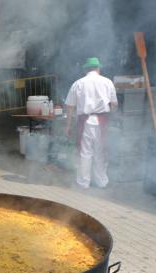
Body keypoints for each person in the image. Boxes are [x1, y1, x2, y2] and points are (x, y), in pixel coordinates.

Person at [65, 57, 118, 189]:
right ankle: (101, 182)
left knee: (85, 153)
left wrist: (68, 125)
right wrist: (112, 116)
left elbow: (70, 106)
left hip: (85, 122)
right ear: (98, 68)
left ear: (86, 69)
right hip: (102, 121)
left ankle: (84, 183)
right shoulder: (107, 82)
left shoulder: (78, 83)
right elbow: (114, 104)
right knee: (101, 151)